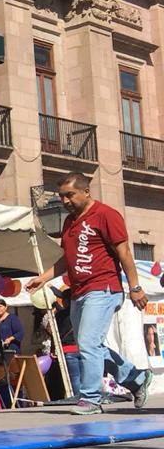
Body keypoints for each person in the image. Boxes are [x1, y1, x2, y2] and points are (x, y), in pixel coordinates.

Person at [25, 171, 152, 414]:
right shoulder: (69, 222)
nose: (65, 201)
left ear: (86, 191)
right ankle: (136, 378)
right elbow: (67, 259)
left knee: (88, 343)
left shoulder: (106, 215)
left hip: (103, 288)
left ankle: (91, 398)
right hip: (78, 291)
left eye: (70, 195)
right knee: (91, 345)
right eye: (62, 196)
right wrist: (43, 278)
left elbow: (124, 252)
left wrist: (135, 287)